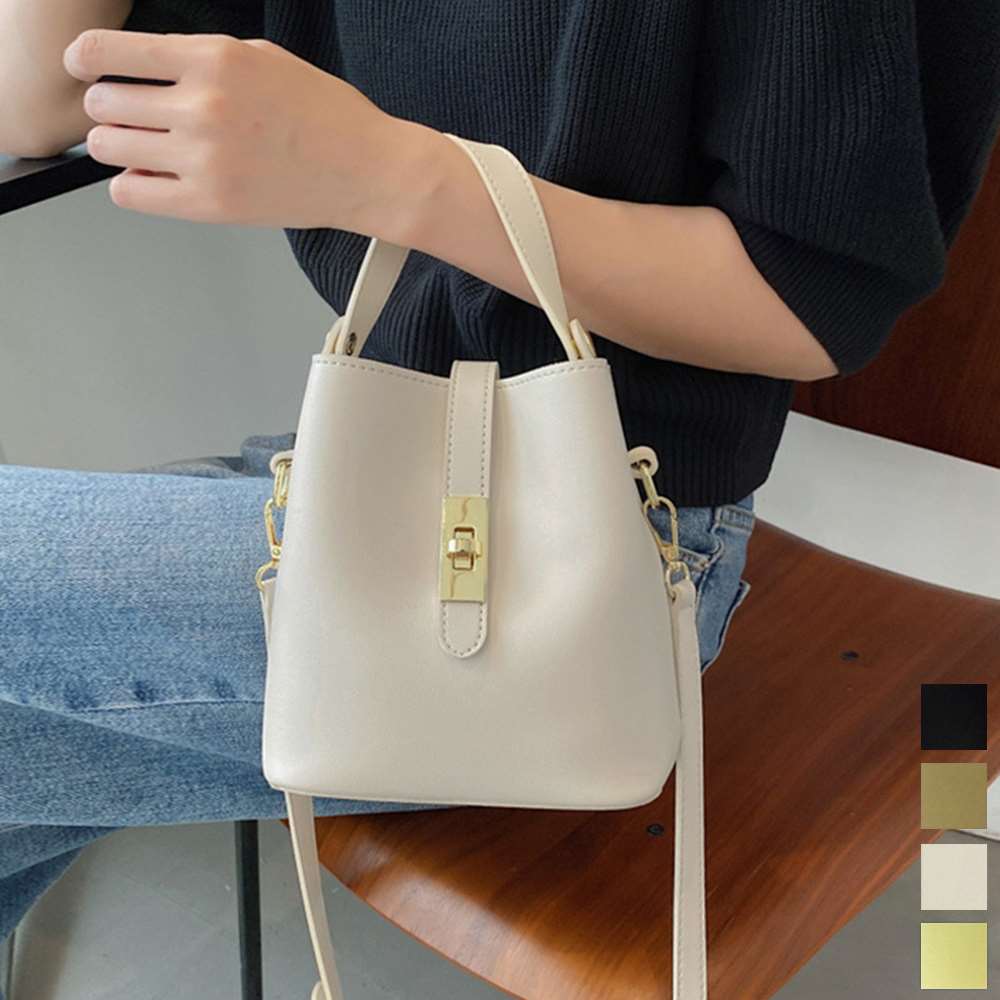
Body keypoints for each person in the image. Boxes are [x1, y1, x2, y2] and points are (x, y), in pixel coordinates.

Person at [1, 0, 998, 987]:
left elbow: (812, 300)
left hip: (623, 540)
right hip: (370, 466)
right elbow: (36, 102)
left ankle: (953, 950)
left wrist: (394, 173)